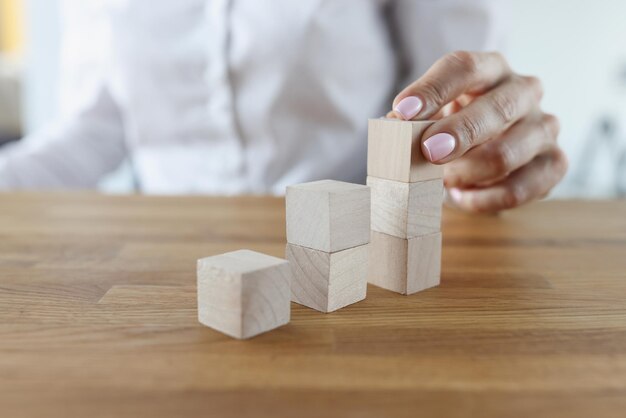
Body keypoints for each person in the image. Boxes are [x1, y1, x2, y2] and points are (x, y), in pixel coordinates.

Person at [0, 0, 567, 213]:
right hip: (164, 256)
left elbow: (454, 104)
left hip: (359, 239)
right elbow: (95, 128)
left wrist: (481, 145)